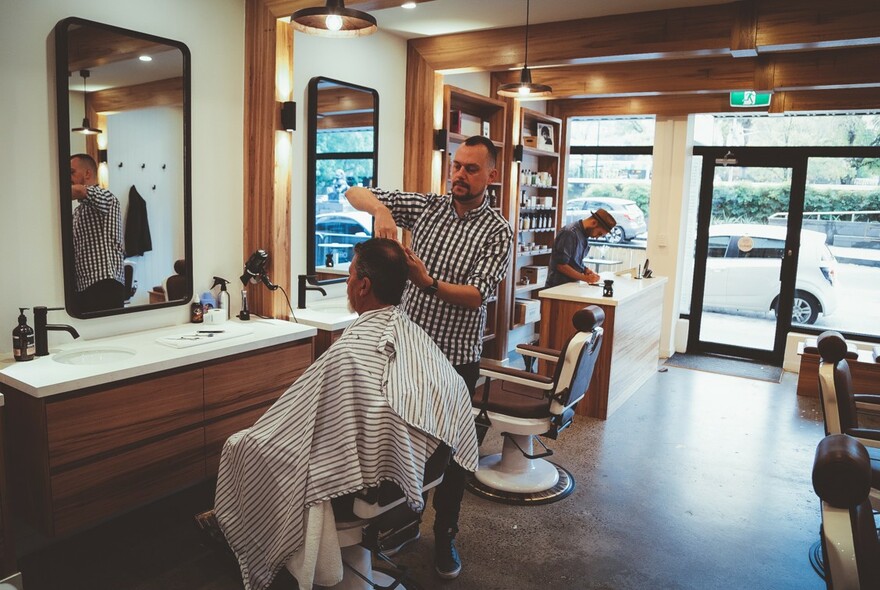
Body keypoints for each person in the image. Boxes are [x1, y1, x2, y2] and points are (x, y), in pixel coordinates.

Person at [213, 238, 479, 590]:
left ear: (364, 285)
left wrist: (252, 440)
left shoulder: (353, 351)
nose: (349, 283)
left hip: (365, 488)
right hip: (420, 469)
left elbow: (313, 423)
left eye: (350, 275)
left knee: (241, 446)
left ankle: (235, 531)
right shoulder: (412, 337)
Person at [345, 134, 513, 579]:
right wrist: (380, 209)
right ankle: (399, 522)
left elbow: (478, 295)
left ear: (491, 176)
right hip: (407, 351)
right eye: (456, 166)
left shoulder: (498, 231)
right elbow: (353, 191)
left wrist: (428, 281)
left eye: (471, 169)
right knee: (402, 438)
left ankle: (446, 537)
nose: (459, 175)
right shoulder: (428, 206)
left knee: (452, 451)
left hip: (455, 358)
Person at [69, 154, 126, 312]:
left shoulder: (108, 199)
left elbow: (80, 191)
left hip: (105, 284)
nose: (69, 178)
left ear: (87, 174)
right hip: (84, 286)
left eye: (72, 172)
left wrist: (52, 192)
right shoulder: (78, 212)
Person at [545, 208, 617, 288]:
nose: (597, 237)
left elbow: (573, 261)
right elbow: (561, 265)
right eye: (599, 233)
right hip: (557, 287)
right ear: (594, 223)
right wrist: (585, 278)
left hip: (570, 286)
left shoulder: (584, 235)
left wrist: (585, 270)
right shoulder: (569, 233)